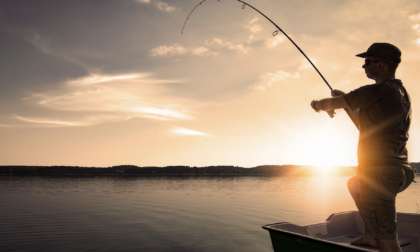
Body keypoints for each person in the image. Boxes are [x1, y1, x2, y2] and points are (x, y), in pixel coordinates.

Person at [310, 43, 416, 252]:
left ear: (380, 65)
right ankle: (370, 235)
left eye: (367, 62)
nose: (363, 67)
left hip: (379, 174)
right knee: (355, 184)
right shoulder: (401, 92)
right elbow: (363, 124)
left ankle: (379, 239)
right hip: (402, 172)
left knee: (389, 243)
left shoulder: (376, 90)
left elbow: (325, 104)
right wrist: (346, 103)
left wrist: (316, 104)